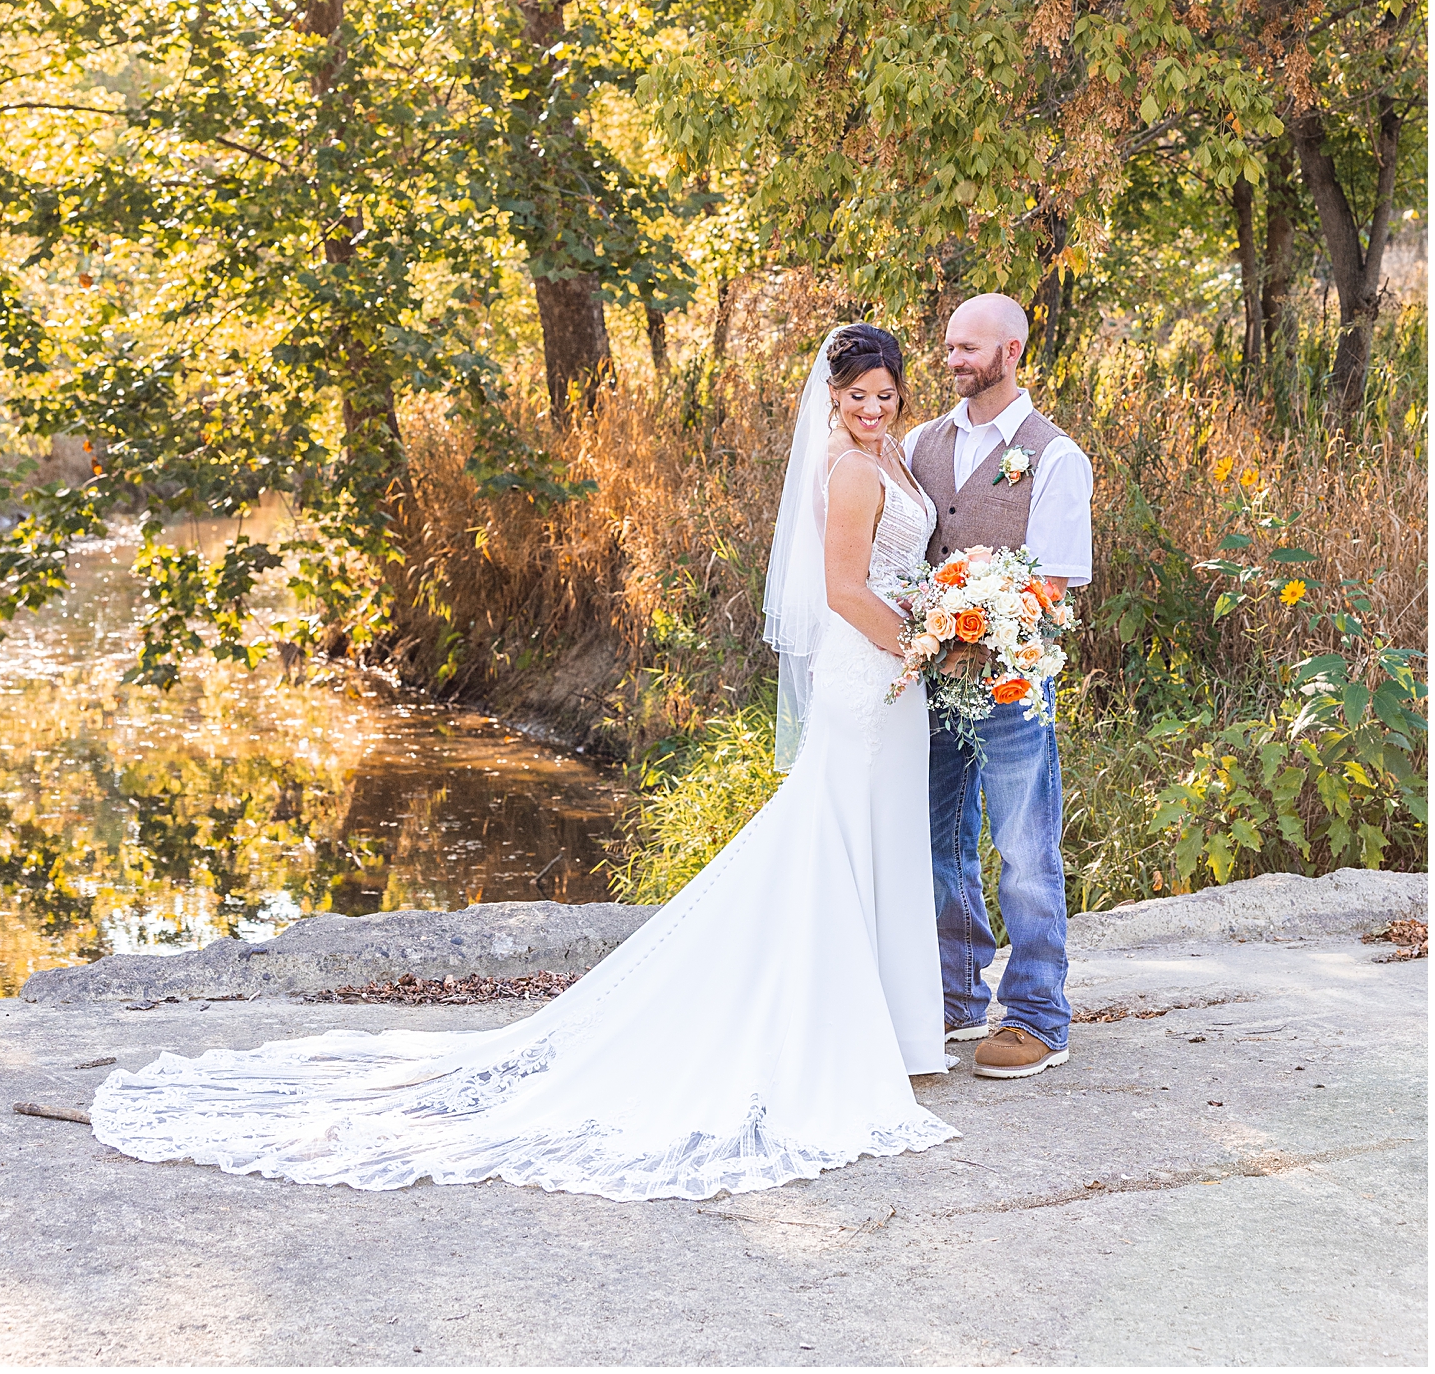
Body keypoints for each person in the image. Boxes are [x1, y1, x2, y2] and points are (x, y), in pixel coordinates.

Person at [90, 324, 959, 1200]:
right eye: (859, 397)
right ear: (832, 398)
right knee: (845, 833)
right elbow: (845, 590)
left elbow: (896, 568)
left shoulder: (893, 460)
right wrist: (919, 642)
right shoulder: (848, 469)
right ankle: (840, 1026)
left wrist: (944, 617)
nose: (874, 409)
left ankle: (888, 1024)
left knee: (878, 838)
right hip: (869, 677)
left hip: (893, 676)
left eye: (886, 395)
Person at [904, 293, 1093, 1081]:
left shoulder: (1055, 457)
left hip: (1013, 685)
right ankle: (951, 995)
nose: (953, 359)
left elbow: (1053, 583)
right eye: (949, 345)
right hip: (935, 687)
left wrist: (973, 612)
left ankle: (1039, 1015)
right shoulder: (919, 441)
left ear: (1011, 349)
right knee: (937, 842)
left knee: (1021, 848)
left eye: (969, 347)